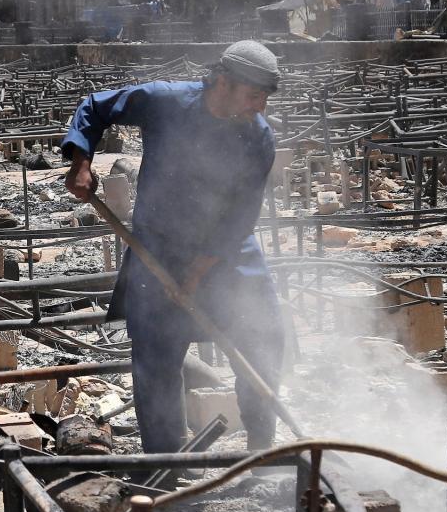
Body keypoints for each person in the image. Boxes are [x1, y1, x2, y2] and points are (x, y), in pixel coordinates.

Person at [60, 40, 284, 454]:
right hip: (159, 248)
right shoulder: (167, 100)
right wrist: (82, 163)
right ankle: (165, 463)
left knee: (263, 338)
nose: (260, 107)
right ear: (223, 82)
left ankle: (262, 450)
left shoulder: (258, 137)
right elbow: (96, 106)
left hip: (226, 250)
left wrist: (197, 273)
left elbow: (241, 214)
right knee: (156, 357)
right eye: (254, 95)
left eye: (265, 98)